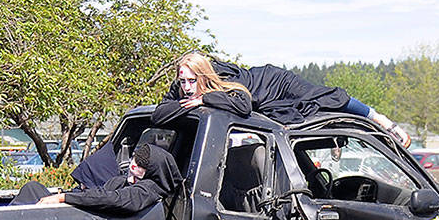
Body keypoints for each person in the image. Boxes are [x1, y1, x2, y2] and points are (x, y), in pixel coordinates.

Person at [153, 52, 411, 146]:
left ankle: (379, 119)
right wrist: (183, 101)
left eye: (191, 81)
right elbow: (158, 114)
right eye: (182, 81)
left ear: (202, 75)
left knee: (324, 97)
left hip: (273, 82)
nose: (186, 87)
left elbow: (242, 106)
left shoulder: (221, 85)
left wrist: (203, 100)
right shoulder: (182, 87)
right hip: (263, 101)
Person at [11, 141, 183, 219]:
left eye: (140, 167)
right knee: (32, 189)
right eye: (134, 161)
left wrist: (63, 198)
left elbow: (113, 199)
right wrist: (65, 195)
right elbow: (99, 193)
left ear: (152, 171)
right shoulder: (121, 181)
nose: (132, 167)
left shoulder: (149, 191)